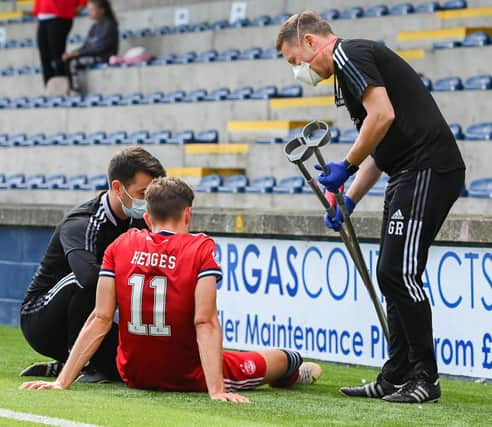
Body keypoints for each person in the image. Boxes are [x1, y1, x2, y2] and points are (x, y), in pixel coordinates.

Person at [276, 11, 465, 403]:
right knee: (390, 274)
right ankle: (396, 375)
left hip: (427, 167)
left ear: (310, 42)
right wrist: (348, 197)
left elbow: (383, 115)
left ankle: (425, 379)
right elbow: (379, 147)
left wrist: (344, 166)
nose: (300, 71)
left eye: (296, 61)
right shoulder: (347, 77)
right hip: (405, 172)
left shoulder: (349, 55)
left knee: (399, 272)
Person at [20, 177, 322, 401]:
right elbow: (205, 321)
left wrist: (62, 382)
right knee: (278, 358)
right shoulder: (201, 247)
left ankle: (290, 372)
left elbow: (99, 319)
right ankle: (293, 368)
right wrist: (216, 390)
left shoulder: (120, 245)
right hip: (187, 374)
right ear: (188, 214)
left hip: (133, 374)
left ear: (147, 217)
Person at [20, 147, 166, 382]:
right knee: (91, 278)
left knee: (135, 365)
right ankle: (79, 363)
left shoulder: (141, 221)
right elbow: (87, 277)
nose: (149, 202)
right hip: (42, 320)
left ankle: (73, 363)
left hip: (89, 319)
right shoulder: (82, 223)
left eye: (154, 194)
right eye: (143, 193)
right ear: (118, 188)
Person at [63, 0, 119, 94]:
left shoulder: (109, 26)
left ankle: (75, 89)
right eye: (88, 10)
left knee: (72, 62)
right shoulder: (95, 27)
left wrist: (79, 53)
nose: (89, 12)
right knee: (68, 58)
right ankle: (71, 86)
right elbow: (86, 46)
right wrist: (73, 52)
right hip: (93, 54)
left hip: (103, 57)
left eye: (92, 10)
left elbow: (101, 48)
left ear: (101, 10)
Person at [34, 0, 87, 86]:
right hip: (43, 16)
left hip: (59, 15)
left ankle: (62, 88)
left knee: (57, 56)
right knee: (45, 57)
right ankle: (50, 89)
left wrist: (75, 7)